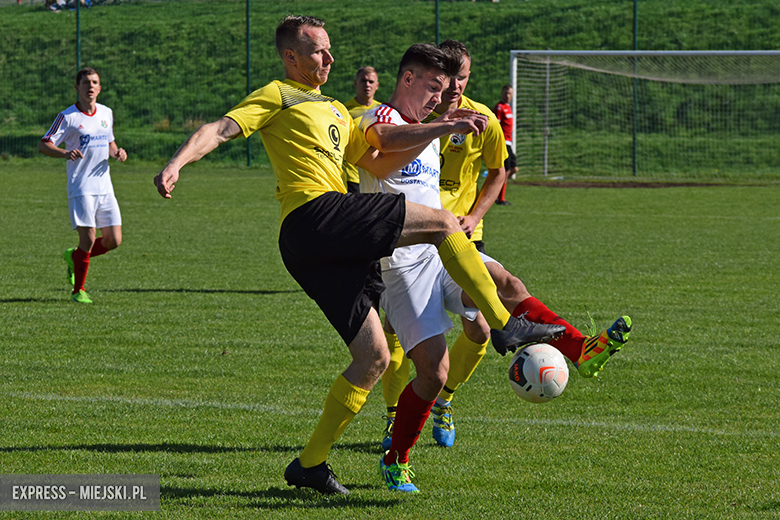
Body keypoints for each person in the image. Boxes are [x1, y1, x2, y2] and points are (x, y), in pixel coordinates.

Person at [153, 16, 563, 496]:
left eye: (329, 50)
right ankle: (502, 322)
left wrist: (432, 131)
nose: (329, 58)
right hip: (315, 215)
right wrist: (177, 163)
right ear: (290, 57)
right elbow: (220, 129)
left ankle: (310, 463)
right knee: (443, 222)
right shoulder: (278, 95)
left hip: (319, 246)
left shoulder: (337, 111)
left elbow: (378, 159)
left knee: (372, 357)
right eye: (317, 51)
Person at [379, 40, 632, 451]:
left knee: (489, 313)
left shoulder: (482, 119)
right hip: (402, 248)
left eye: (462, 77)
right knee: (391, 349)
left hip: (455, 239)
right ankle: (395, 421)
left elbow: (499, 171)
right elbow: (377, 153)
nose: (454, 87)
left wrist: (474, 217)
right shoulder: (402, 119)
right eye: (445, 79)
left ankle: (574, 349)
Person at [359, 43, 566, 494]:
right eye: (432, 87)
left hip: (444, 251)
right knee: (433, 372)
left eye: (446, 88)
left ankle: (578, 348)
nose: (440, 96)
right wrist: (445, 125)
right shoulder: (375, 119)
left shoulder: (428, 129)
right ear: (407, 79)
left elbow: (486, 171)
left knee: (507, 282)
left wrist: (439, 126)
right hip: (404, 267)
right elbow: (383, 144)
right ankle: (396, 458)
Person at [39, 67, 128, 304]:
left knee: (113, 240)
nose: (90, 86)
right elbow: (44, 144)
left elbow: (109, 141)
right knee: (88, 239)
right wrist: (65, 153)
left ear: (100, 88)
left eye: (94, 82)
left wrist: (117, 152)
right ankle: (78, 290)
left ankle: (74, 256)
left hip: (105, 186)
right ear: (77, 87)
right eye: (86, 82)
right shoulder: (68, 117)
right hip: (81, 186)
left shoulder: (106, 113)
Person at [342, 66, 381, 193]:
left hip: (376, 174)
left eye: (371, 82)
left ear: (377, 85)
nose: (367, 85)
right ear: (355, 83)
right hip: (352, 176)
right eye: (363, 81)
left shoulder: (382, 110)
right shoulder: (345, 110)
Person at [493, 83, 518, 204]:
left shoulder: (508, 107)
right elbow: (496, 124)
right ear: (502, 93)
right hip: (503, 142)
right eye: (506, 93)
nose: (508, 95)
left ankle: (499, 193)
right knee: (505, 170)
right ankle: (500, 198)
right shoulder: (499, 107)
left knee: (514, 169)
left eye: (510, 94)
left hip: (509, 142)